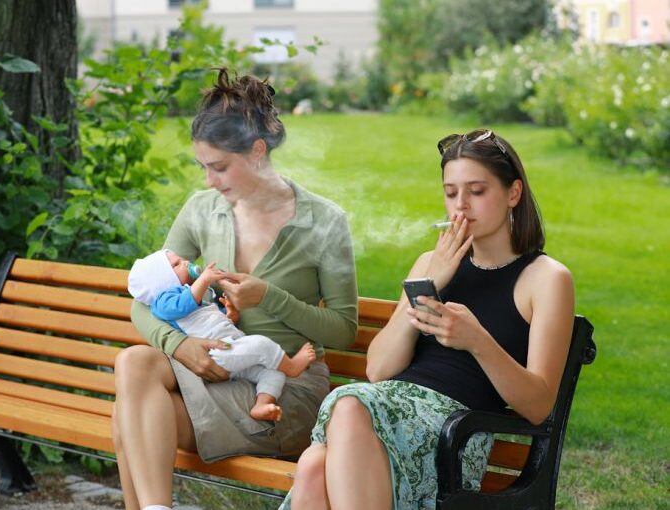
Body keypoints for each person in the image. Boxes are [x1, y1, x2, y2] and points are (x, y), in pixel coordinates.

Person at [280, 129, 575, 510]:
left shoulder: (546, 278)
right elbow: (379, 368)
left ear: (513, 193)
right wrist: (431, 282)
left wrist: (477, 341)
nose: (461, 206)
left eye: (477, 191)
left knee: (329, 440)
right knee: (313, 464)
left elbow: (537, 406)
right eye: (451, 193)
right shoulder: (428, 263)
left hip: (453, 435)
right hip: (384, 413)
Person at [112, 69, 358, 510]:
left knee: (129, 413)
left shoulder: (324, 221)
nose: (209, 181)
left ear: (258, 151)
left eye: (220, 167)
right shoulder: (202, 210)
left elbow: (343, 331)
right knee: (135, 367)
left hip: (281, 389)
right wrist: (180, 344)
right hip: (217, 369)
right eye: (203, 167)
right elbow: (144, 304)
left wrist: (270, 298)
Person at [127, 248, 317, 421]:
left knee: (273, 373)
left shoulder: (201, 298)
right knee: (261, 344)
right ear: (163, 281)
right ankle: (292, 366)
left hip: (231, 350)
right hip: (216, 354)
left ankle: (261, 405)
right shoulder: (164, 301)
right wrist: (204, 279)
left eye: (181, 259)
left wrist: (230, 315)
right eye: (176, 265)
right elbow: (182, 304)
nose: (185, 262)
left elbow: (217, 324)